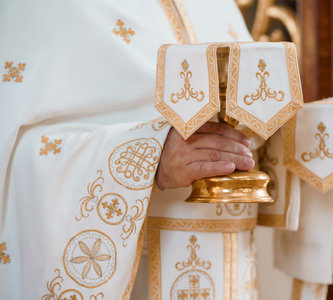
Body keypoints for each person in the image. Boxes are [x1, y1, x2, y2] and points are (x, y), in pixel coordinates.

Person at [0, 0, 284, 299]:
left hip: (227, 269)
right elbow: (13, 153)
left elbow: (253, 131)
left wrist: (305, 142)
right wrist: (147, 159)